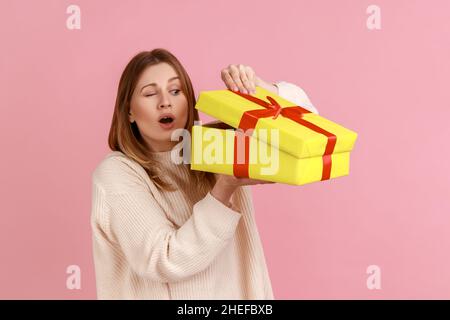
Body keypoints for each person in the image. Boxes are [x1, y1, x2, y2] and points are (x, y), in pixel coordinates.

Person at [90, 48, 319, 299]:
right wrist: (224, 187)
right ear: (129, 111)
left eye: (176, 91)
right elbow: (163, 259)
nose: (165, 101)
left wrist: (261, 88)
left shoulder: (217, 145)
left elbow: (312, 127)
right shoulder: (116, 173)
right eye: (150, 93)